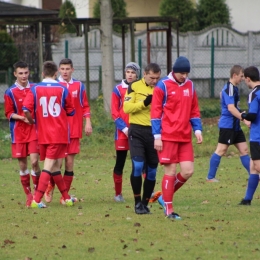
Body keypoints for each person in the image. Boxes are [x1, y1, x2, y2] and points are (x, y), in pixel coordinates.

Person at [151, 56, 203, 219]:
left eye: (187, 73)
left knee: (188, 171)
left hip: (184, 136)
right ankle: (169, 209)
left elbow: (194, 110)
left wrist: (197, 129)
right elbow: (155, 113)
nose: (185, 76)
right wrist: (157, 136)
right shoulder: (163, 86)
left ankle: (163, 197)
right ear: (174, 71)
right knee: (171, 171)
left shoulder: (190, 85)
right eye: (182, 73)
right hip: (167, 136)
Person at [22, 61, 77, 208]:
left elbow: (25, 108)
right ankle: (37, 199)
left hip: (42, 133)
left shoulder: (35, 89)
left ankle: (66, 198)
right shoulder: (62, 89)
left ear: (42, 74)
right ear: (56, 73)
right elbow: (71, 111)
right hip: (57, 133)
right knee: (48, 166)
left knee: (54, 168)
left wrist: (32, 120)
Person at [44, 58, 92, 204]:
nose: (65, 71)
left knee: (69, 164)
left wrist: (88, 122)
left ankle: (64, 197)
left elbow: (85, 105)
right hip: (58, 131)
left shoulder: (78, 85)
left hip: (74, 131)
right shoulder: (55, 85)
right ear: (58, 70)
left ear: (72, 70)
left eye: (67, 69)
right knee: (56, 164)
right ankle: (50, 186)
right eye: (62, 69)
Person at [123, 63, 161, 214]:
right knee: (138, 166)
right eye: (152, 78)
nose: (155, 81)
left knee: (152, 171)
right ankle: (137, 202)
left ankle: (145, 203)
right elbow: (126, 108)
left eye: (157, 78)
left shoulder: (161, 88)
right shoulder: (134, 86)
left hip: (155, 133)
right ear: (144, 74)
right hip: (137, 130)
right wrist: (144, 103)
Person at [4, 61, 41, 207]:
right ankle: (28, 195)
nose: (24, 76)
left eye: (26, 73)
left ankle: (38, 194)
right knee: (23, 166)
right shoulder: (10, 92)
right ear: (15, 74)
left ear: (29, 72)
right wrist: (21, 118)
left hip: (33, 129)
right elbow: (8, 113)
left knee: (34, 162)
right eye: (21, 73)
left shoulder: (35, 88)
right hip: (18, 132)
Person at [206, 65, 250, 182]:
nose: (242, 79)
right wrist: (243, 118)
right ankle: (210, 177)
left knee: (244, 149)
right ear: (234, 75)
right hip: (228, 126)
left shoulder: (234, 88)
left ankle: (254, 175)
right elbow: (231, 108)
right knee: (221, 150)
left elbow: (235, 107)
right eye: (241, 76)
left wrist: (241, 114)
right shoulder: (229, 88)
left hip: (235, 126)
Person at [111, 62, 140, 202]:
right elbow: (115, 113)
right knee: (120, 163)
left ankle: (147, 191)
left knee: (140, 163)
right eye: (128, 71)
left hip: (138, 131)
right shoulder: (117, 89)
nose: (130, 74)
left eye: (133, 72)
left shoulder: (141, 89)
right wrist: (124, 129)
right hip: (122, 133)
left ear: (137, 75)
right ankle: (118, 194)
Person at [239, 66, 260, 205]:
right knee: (253, 167)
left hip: (257, 136)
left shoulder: (254, 93)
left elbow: (252, 115)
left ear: (248, 79)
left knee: (258, 166)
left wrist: (243, 115)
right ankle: (247, 199)